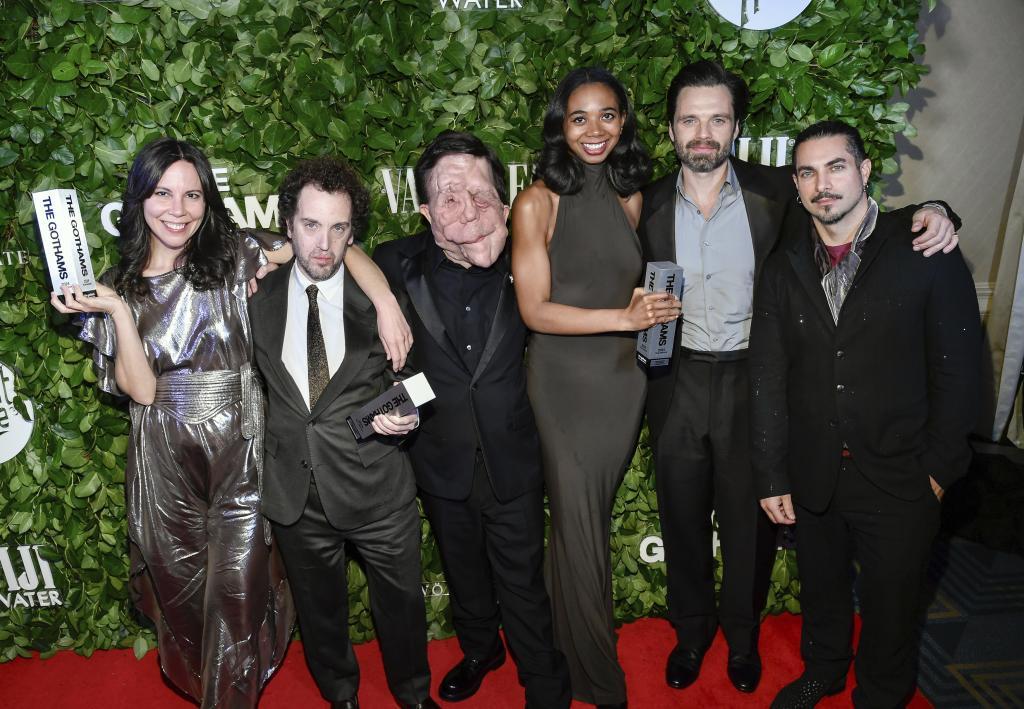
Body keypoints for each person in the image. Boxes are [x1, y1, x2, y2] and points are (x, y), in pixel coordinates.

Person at [637, 60, 960, 695]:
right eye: (689, 120)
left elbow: (859, 219)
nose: (703, 132)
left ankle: (741, 639)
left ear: (735, 127)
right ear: (672, 130)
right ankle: (692, 633)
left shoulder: (777, 193)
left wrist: (937, 210)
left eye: (717, 119)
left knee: (749, 527)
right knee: (679, 519)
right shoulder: (642, 202)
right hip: (675, 381)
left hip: (751, 378)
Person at [51, 137, 410, 708]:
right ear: (139, 198)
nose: (178, 207)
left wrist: (386, 300)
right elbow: (140, 390)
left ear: (206, 198)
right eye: (163, 192)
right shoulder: (119, 287)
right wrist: (118, 310)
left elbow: (330, 248)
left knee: (237, 597)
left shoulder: (237, 253)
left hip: (240, 450)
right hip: (163, 455)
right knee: (185, 599)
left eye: (192, 193)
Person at [750, 120, 981, 708]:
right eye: (807, 172)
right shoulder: (782, 267)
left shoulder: (923, 247)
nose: (822, 184)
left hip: (903, 474)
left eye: (835, 167)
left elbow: (960, 371)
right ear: (796, 184)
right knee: (822, 590)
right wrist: (773, 472)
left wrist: (938, 470)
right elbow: (769, 375)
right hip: (815, 470)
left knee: (892, 605)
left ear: (865, 170)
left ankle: (881, 693)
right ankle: (823, 670)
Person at [374, 131, 572, 708]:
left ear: (505, 202)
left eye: (482, 194)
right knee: (463, 572)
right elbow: (336, 252)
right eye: (450, 197)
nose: (469, 210)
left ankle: (544, 683)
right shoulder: (395, 262)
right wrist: (386, 302)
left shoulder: (531, 260)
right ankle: (481, 649)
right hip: (439, 458)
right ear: (425, 211)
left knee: (523, 582)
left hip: (513, 458)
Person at [511, 67, 681, 709]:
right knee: (580, 524)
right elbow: (535, 310)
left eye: (607, 115)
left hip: (622, 382)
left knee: (582, 523)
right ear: (560, 126)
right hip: (562, 384)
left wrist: (647, 311)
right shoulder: (536, 202)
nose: (594, 130)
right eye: (579, 118)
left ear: (624, 122)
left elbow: (625, 285)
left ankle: (560, 652)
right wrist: (624, 317)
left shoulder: (629, 195)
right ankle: (601, 683)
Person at [249, 156, 438, 709]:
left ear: (353, 231)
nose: (324, 244)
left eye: (338, 228)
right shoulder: (255, 298)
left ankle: (412, 692)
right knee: (319, 611)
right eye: (310, 225)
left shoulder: (381, 304)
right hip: (295, 493)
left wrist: (404, 419)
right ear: (288, 225)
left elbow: (414, 383)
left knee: (402, 605)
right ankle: (341, 694)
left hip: (377, 487)